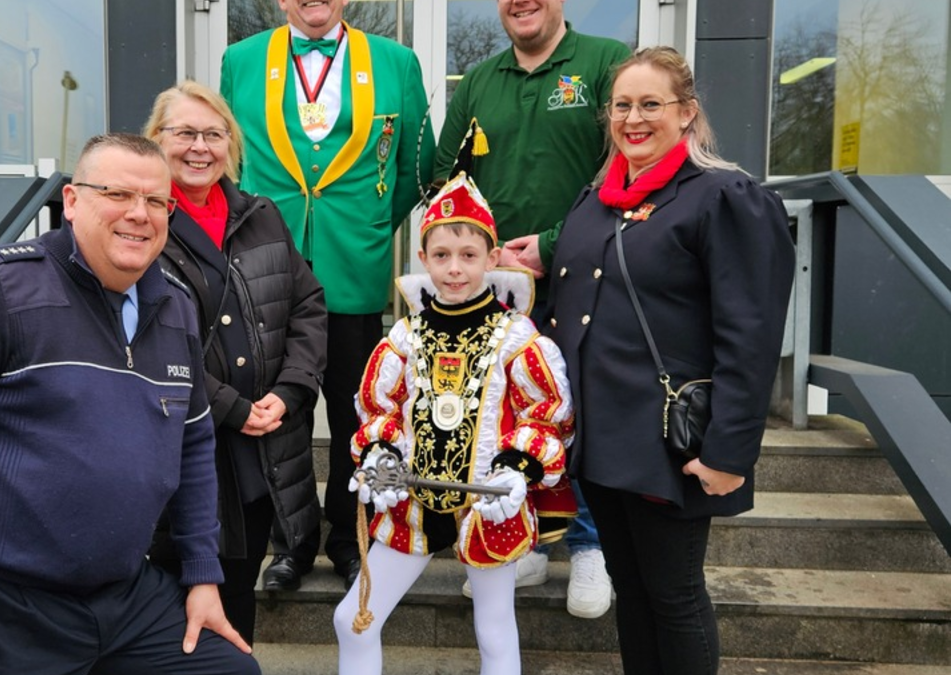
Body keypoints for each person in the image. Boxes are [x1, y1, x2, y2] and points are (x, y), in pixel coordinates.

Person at [0, 133, 260, 675]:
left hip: (125, 595)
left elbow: (192, 445)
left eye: (156, 201)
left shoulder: (175, 306)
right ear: (71, 201)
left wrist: (202, 574)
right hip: (0, 601)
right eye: (117, 194)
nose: (139, 214)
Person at [546, 47, 794, 675]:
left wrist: (730, 453)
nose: (633, 119)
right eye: (622, 106)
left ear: (686, 112)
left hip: (668, 445)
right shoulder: (595, 200)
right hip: (600, 444)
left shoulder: (723, 196)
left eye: (651, 104)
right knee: (633, 592)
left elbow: (751, 336)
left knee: (675, 596)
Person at [221, 0, 434, 591]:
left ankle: (348, 536)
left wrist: (370, 225)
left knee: (354, 411)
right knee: (274, 409)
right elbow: (228, 160)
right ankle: (288, 543)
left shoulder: (395, 61)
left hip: (353, 263)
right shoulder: (241, 60)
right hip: (267, 266)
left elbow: (416, 168)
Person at [332, 173, 575, 675]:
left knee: (494, 630)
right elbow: (379, 408)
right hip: (412, 502)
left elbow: (547, 412)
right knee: (353, 619)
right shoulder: (404, 336)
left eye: (468, 255)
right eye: (441, 255)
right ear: (423, 259)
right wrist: (381, 454)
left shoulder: (517, 337)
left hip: (488, 505)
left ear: (492, 257)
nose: (455, 268)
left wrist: (517, 467)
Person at [434, 0, 629, 618]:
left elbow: (624, 170)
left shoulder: (604, 62)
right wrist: (474, 253)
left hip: (586, 277)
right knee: (508, 409)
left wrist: (552, 243)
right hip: (499, 288)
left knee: (580, 410)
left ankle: (590, 545)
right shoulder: (479, 80)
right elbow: (446, 177)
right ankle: (527, 540)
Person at [142, 81, 327, 645]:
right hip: (185, 451)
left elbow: (307, 305)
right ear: (156, 140)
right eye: (184, 133)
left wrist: (290, 391)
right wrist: (230, 406)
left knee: (239, 595)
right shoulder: (141, 223)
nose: (200, 147)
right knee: (174, 604)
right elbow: (144, 341)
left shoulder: (261, 216)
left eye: (214, 134)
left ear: (232, 144)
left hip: (264, 450)